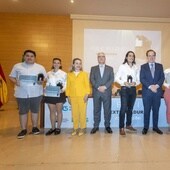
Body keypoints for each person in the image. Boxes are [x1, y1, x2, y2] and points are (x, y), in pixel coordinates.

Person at [9, 50, 47, 139]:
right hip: (21, 93)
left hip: (36, 93)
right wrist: (15, 81)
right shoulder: (17, 66)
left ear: (35, 57)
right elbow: (11, 76)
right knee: (23, 111)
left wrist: (41, 81)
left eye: (31, 56)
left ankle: (34, 127)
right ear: (24, 56)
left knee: (35, 110)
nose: (29, 57)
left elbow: (44, 78)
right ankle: (23, 129)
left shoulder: (40, 67)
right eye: (27, 56)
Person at [140, 49, 165, 135]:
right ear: (147, 57)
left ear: (155, 56)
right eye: (149, 55)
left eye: (153, 55)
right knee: (146, 110)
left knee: (156, 110)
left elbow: (162, 78)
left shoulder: (160, 66)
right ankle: (145, 127)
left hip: (157, 92)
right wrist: (151, 87)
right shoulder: (143, 67)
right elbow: (142, 79)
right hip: (147, 92)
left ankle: (155, 127)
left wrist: (157, 86)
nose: (151, 57)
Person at [115, 51, 140, 136]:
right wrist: (124, 82)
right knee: (123, 109)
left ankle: (128, 125)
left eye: (133, 56)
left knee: (130, 109)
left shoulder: (136, 67)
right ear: (126, 57)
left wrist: (135, 83)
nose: (131, 57)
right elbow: (116, 78)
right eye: (129, 56)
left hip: (133, 89)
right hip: (125, 89)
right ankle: (121, 128)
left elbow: (138, 79)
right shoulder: (122, 66)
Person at [90, 52, 114, 134]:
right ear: (97, 58)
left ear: (105, 58)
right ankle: (96, 126)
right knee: (96, 110)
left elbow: (111, 79)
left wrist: (105, 87)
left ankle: (107, 126)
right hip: (97, 92)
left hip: (106, 92)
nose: (101, 58)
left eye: (102, 57)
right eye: (99, 57)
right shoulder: (93, 68)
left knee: (107, 110)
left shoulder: (110, 68)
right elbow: (92, 79)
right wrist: (98, 87)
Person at [66, 58, 90, 136]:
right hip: (73, 96)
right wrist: (68, 96)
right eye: (76, 63)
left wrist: (87, 94)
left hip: (82, 96)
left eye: (80, 63)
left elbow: (87, 85)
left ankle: (82, 128)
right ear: (73, 64)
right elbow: (68, 86)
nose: (78, 65)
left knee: (82, 113)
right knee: (74, 113)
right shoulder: (69, 74)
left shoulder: (84, 74)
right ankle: (75, 128)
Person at [44, 58, 67, 135]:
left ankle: (58, 128)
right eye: (55, 62)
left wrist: (62, 90)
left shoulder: (64, 73)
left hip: (60, 94)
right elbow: (46, 83)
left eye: (58, 63)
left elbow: (66, 84)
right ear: (53, 64)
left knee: (59, 111)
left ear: (60, 64)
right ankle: (53, 128)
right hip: (50, 94)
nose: (56, 64)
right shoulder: (48, 73)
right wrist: (45, 89)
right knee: (52, 112)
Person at [163, 68, 170, 133]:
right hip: (168, 90)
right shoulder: (167, 71)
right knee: (169, 109)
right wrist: (168, 85)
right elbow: (163, 82)